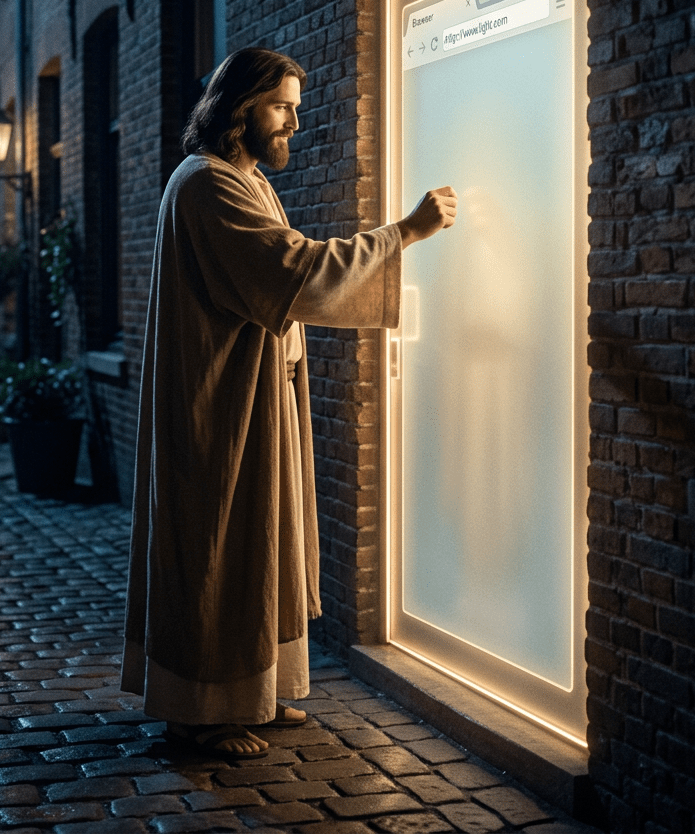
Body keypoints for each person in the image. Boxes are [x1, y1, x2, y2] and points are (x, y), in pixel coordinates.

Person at [121, 47, 456, 759]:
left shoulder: (246, 181)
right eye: (283, 105)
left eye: (296, 107)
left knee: (257, 545)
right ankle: (199, 713)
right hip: (219, 408)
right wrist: (406, 233)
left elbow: (287, 264)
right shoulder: (207, 185)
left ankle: (249, 694)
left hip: (257, 403)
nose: (295, 123)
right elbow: (293, 270)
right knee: (217, 549)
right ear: (239, 107)